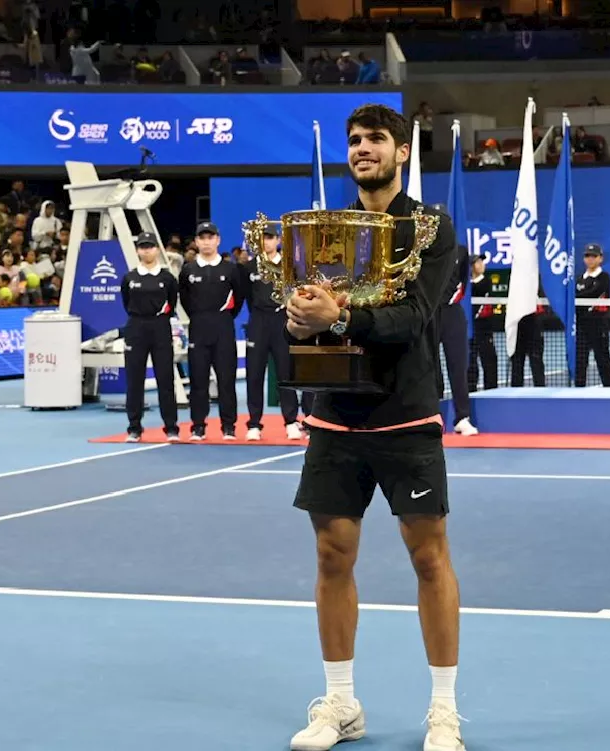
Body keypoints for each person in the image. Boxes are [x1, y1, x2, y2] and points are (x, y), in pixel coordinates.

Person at [281, 103, 466, 751]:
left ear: (403, 152)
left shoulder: (431, 230)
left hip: (406, 414)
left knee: (427, 556)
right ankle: (340, 701)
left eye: (376, 139)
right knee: (332, 555)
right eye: (355, 140)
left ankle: (443, 710)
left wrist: (336, 317)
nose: (363, 148)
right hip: (334, 414)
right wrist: (301, 317)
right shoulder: (321, 230)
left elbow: (414, 318)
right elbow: (302, 311)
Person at [241, 226, 308, 440]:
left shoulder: (290, 267)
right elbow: (246, 297)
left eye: (270, 238)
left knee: (285, 373)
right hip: (258, 322)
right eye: (262, 238)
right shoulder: (248, 267)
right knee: (254, 374)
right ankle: (253, 423)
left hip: (282, 321)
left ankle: (290, 421)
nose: (266, 242)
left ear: (278, 240)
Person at [178, 222, 244, 439]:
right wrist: (199, 316)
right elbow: (185, 300)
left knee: (226, 381)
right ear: (197, 242)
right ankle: (198, 426)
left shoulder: (231, 269)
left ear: (218, 240)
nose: (206, 242)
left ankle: (229, 426)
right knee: (198, 381)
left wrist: (223, 317)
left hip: (224, 329)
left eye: (210, 237)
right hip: (198, 329)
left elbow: (239, 298)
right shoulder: (188, 270)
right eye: (202, 238)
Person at [120, 233, 180, 442]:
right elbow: (126, 302)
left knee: (165, 379)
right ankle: (134, 427)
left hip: (160, 327)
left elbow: (172, 301)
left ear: (157, 249)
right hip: (136, 327)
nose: (147, 250)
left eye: (150, 247)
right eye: (143, 247)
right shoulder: (129, 278)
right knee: (134, 380)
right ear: (138, 250)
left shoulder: (167, 278)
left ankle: (171, 427)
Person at [432, 222, 477, 435]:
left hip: (452, 314)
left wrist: (449, 301)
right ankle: (432, 417)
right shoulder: (421, 251)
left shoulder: (461, 251)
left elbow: (463, 282)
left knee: (458, 367)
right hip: (428, 316)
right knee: (429, 368)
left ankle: (462, 418)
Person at [574, 243, 610, 387]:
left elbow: (594, 292)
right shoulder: (579, 279)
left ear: (600, 258)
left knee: (603, 360)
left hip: (599, 326)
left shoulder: (604, 277)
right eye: (587, 256)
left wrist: (576, 297)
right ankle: (578, 391)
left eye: (594, 256)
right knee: (580, 361)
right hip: (581, 326)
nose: (590, 259)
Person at [466, 255, 498, 391]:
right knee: (470, 362)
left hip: (484, 329)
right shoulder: (467, 286)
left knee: (489, 361)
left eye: (482, 262)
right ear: (472, 266)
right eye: (478, 262)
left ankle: (491, 390)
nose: (482, 264)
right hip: (469, 329)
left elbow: (480, 290)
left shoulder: (486, 282)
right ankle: (470, 390)